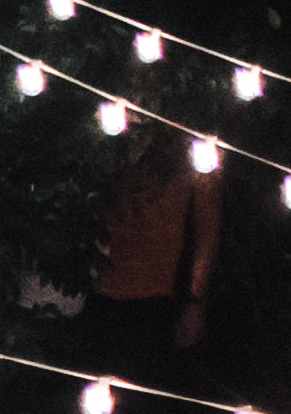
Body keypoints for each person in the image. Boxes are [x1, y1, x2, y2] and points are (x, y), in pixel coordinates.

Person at [89, 123, 221, 388]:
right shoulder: (114, 137)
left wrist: (195, 301)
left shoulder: (192, 151)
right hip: (98, 292)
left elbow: (207, 231)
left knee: (138, 399)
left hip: (155, 299)